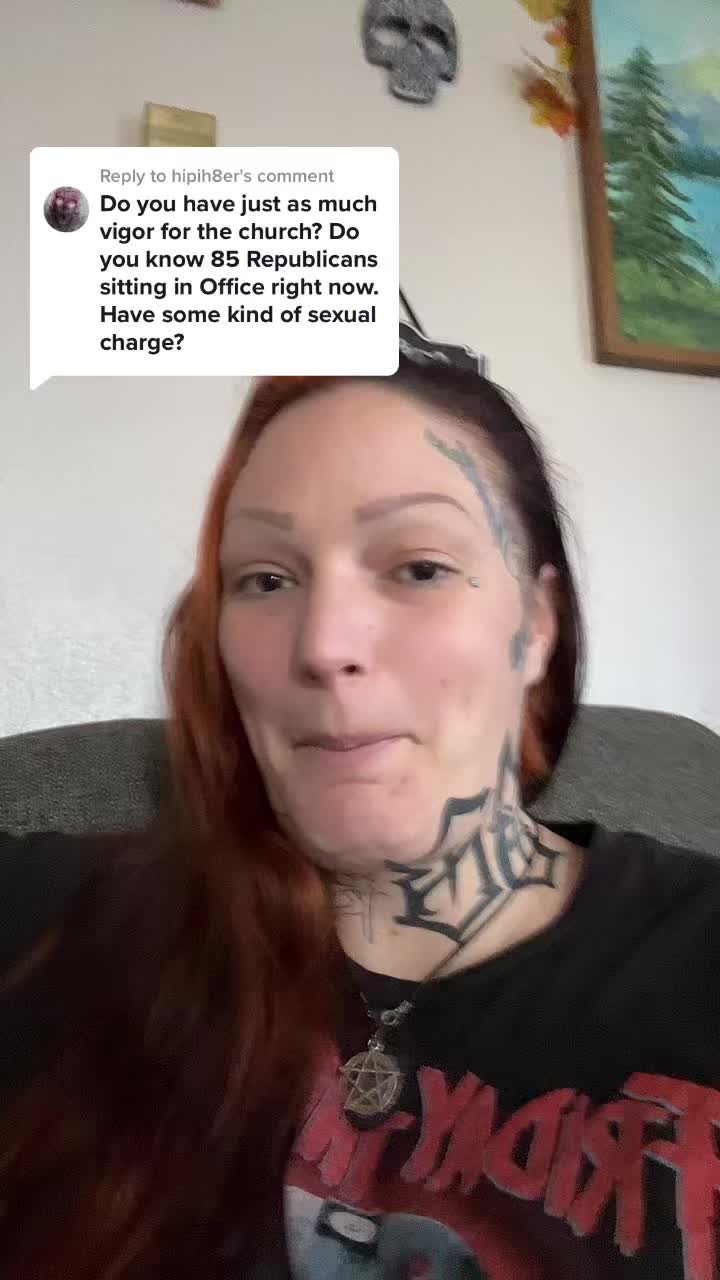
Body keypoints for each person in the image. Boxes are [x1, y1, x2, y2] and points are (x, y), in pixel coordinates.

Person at [1, 340, 719, 1280]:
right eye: (266, 579)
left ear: (537, 625)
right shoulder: (65, 920)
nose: (324, 643)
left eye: (418, 567)